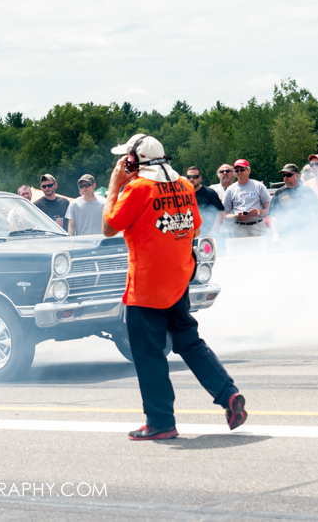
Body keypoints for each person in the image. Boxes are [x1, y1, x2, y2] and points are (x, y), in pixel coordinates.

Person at [102, 133, 245, 440]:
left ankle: (160, 421)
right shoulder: (183, 184)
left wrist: (115, 184)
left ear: (134, 161)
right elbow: (194, 227)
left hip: (145, 287)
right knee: (190, 343)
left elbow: (108, 227)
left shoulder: (137, 188)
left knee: (149, 355)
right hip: (178, 280)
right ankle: (228, 394)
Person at [269, 164, 318, 250]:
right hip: (287, 235)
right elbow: (274, 217)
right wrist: (276, 235)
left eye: (288, 175)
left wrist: (315, 229)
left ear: (297, 175)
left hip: (306, 234)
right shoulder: (279, 193)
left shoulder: (307, 191)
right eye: (283, 175)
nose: (285, 177)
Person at [222, 159, 270, 237]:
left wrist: (258, 212)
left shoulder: (259, 186)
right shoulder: (230, 189)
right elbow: (225, 215)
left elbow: (269, 210)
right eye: (237, 170)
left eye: (242, 170)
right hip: (239, 228)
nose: (239, 172)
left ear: (248, 170)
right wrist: (237, 216)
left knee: (262, 245)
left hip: (258, 226)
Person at [187, 166, 224, 237]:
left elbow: (219, 215)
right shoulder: (182, 194)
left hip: (207, 234)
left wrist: (211, 234)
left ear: (200, 178)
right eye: (189, 177)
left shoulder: (210, 193)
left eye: (195, 177)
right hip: (188, 235)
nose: (192, 179)